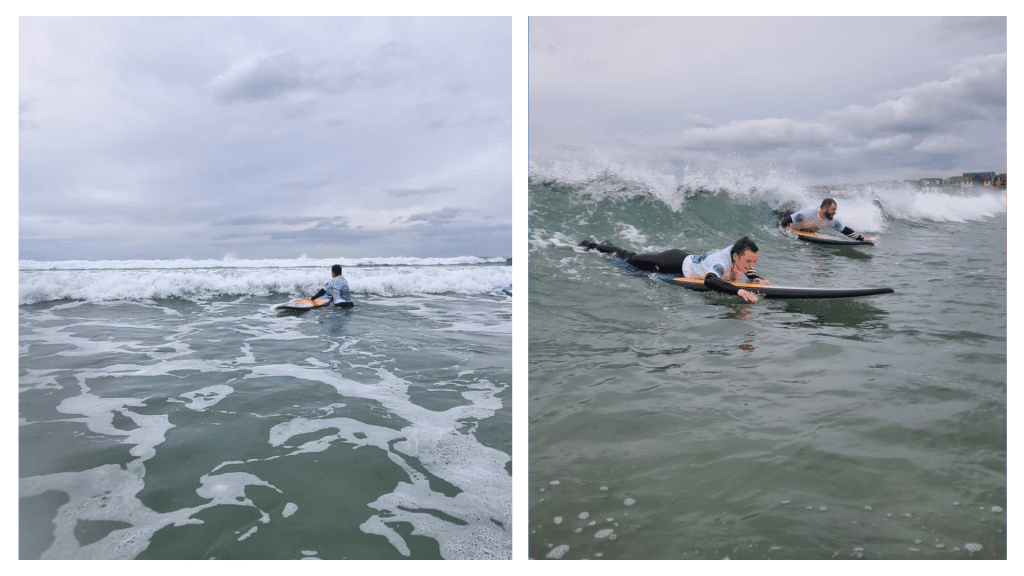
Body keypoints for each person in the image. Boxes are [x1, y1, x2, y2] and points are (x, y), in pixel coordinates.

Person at [579, 236, 769, 303]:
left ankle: (607, 246)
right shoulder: (721, 263)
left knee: (633, 259)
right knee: (631, 259)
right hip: (674, 262)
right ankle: (594, 246)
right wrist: (740, 290)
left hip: (690, 259)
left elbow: (746, 267)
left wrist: (757, 279)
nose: (751, 265)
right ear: (735, 256)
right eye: (748, 261)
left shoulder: (736, 252)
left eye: (755, 261)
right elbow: (710, 280)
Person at [778, 198, 874, 243]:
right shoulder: (807, 213)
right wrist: (788, 231)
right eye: (833, 210)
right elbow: (784, 222)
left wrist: (861, 239)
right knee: (781, 214)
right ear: (824, 208)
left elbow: (844, 230)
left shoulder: (830, 221)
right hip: (788, 220)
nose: (835, 212)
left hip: (804, 230)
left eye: (835, 210)